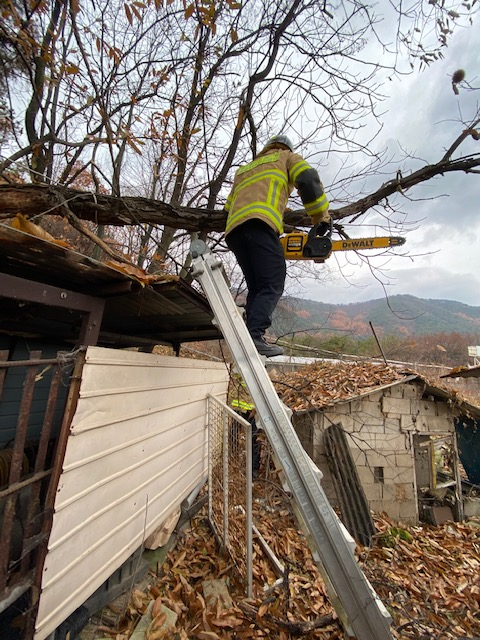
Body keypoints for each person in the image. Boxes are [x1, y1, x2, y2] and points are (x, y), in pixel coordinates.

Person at [224, 134, 330, 357]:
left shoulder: (244, 169)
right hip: (260, 225)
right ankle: (254, 336)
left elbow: (229, 207)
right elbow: (308, 179)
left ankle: (248, 334)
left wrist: (280, 215)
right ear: (285, 148)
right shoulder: (287, 157)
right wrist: (320, 216)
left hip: (234, 231)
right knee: (273, 282)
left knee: (258, 287)